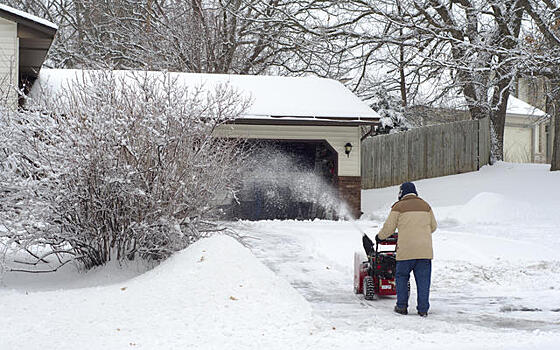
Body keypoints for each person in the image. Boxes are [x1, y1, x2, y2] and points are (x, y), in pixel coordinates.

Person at [376, 182, 437, 317]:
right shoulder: (426, 206)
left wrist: (380, 237)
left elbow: (389, 228)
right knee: (423, 280)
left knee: (402, 277)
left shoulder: (398, 206)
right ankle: (423, 309)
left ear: (401, 193)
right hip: (424, 252)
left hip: (406, 251)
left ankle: (401, 306)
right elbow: (433, 226)